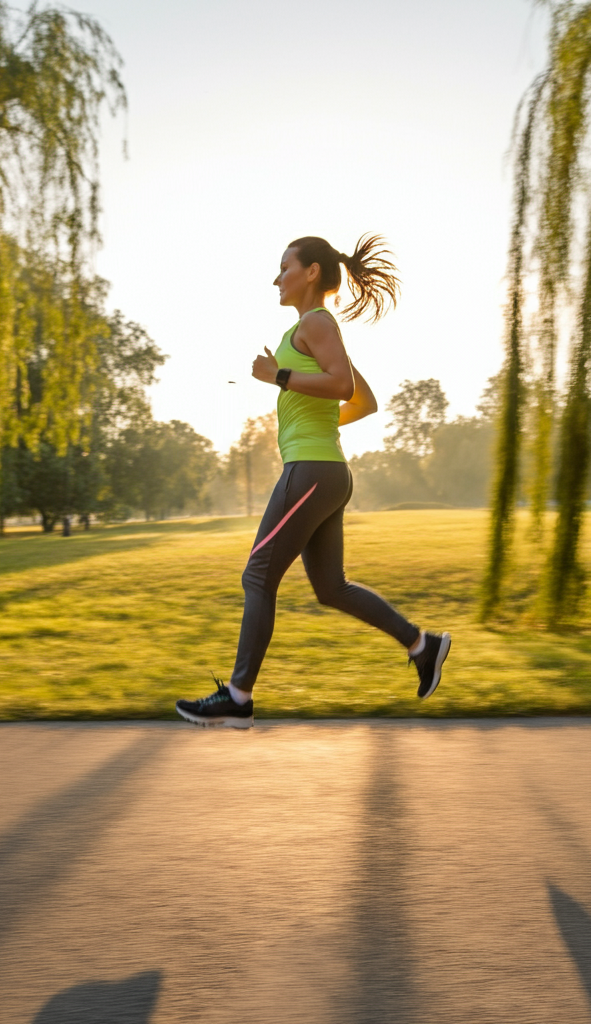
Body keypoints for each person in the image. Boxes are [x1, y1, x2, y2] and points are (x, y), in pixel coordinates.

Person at [176, 235, 450, 729]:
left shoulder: (317, 324)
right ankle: (421, 645)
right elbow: (361, 400)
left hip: (309, 470)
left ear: (311, 273)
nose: (275, 277)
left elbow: (343, 387)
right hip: (327, 470)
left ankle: (238, 697)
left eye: (284, 266)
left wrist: (278, 376)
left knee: (258, 574)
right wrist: (313, 413)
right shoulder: (315, 331)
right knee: (330, 587)